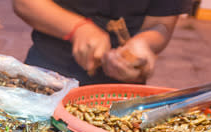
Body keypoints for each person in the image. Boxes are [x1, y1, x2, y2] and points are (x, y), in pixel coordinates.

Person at [12, 0, 191, 84]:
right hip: (48, 72)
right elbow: (25, 3)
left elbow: (161, 24)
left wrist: (144, 43)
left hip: (122, 87)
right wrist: (77, 28)